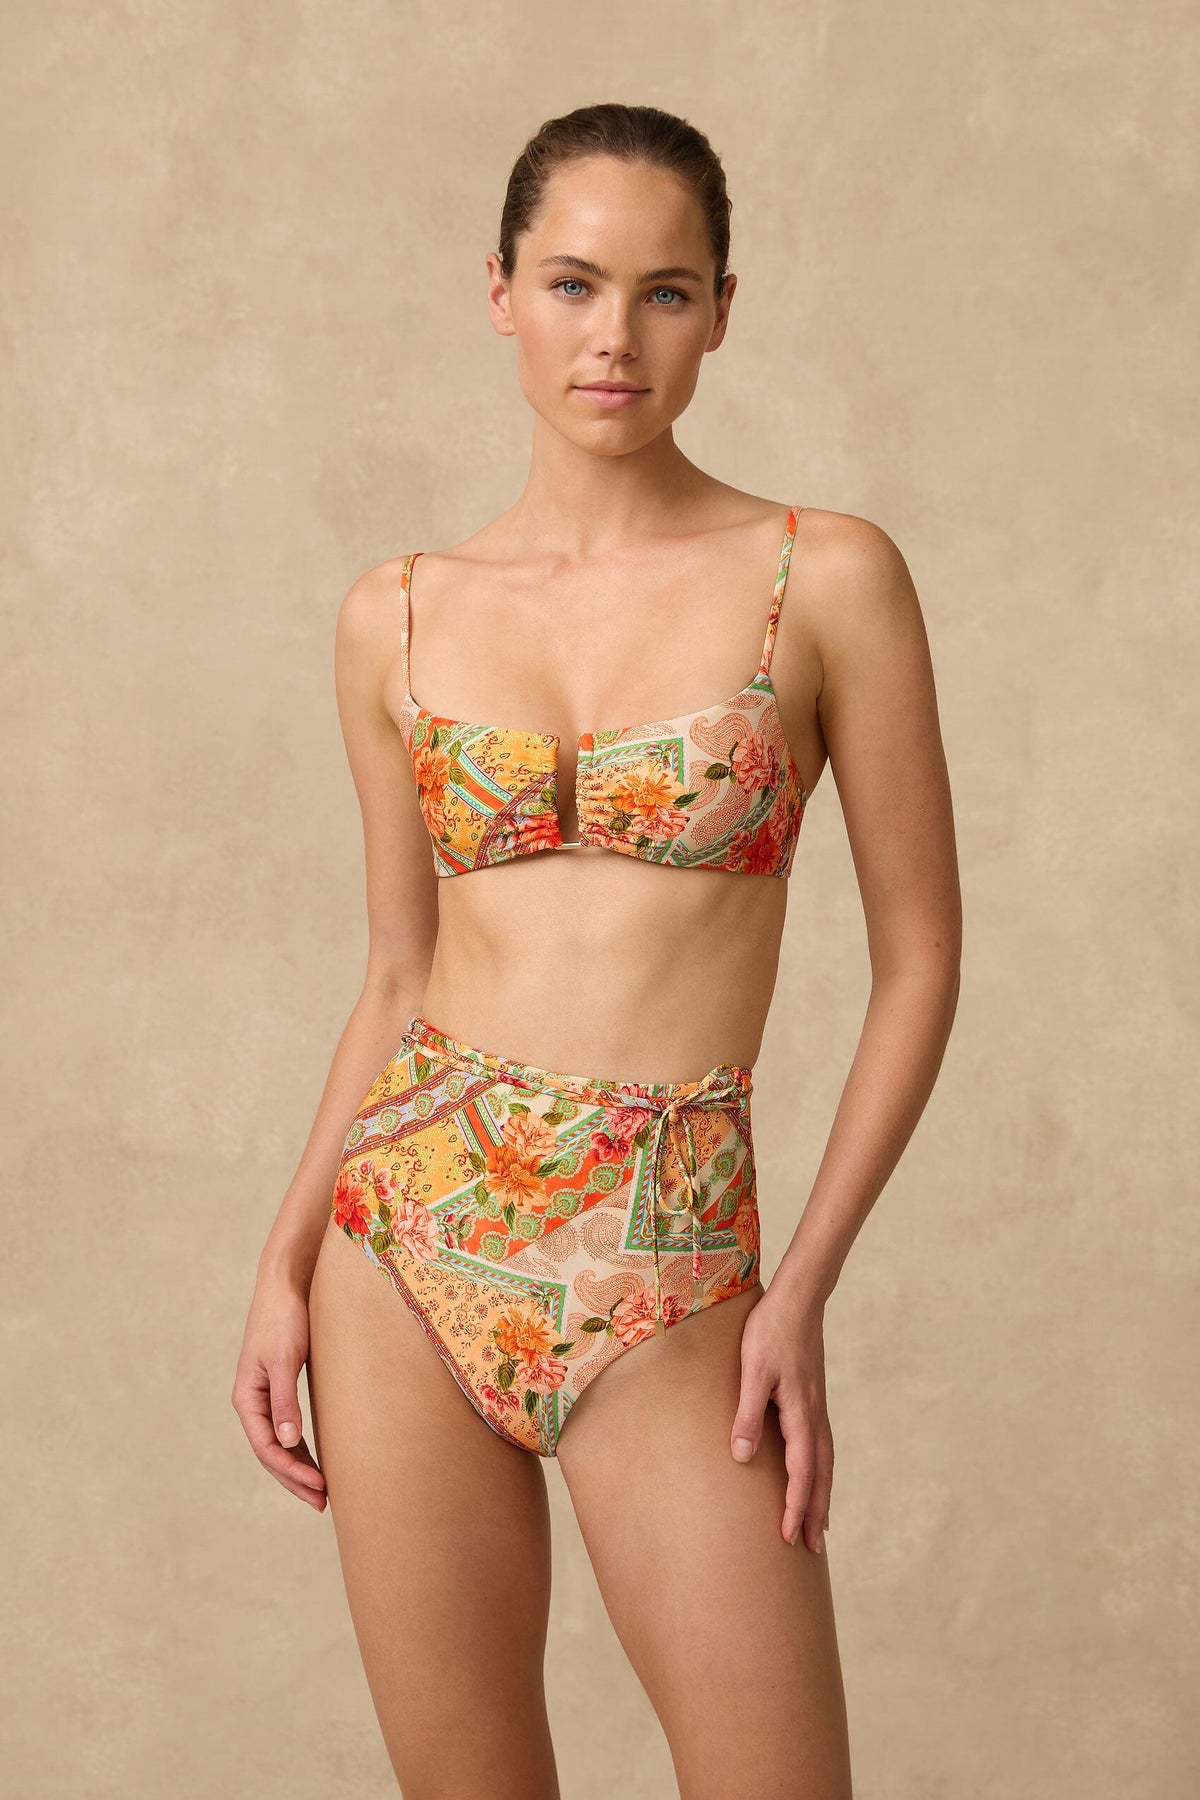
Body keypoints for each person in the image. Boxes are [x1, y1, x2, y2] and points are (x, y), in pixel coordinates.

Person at [232, 101, 961, 1799]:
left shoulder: (825, 579)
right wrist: (282, 1263)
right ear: (499, 291)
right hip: (404, 1246)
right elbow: (398, 972)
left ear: (722, 310)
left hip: (671, 1255)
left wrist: (802, 1286)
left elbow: (922, 958)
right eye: (571, 283)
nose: (613, 336)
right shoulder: (395, 613)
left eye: (664, 292)